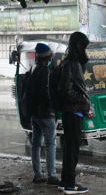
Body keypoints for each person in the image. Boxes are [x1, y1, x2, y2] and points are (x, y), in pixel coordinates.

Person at [58, 32, 92, 194]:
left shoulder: (70, 62)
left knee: (69, 148)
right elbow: (66, 91)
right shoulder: (71, 64)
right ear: (79, 46)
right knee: (72, 150)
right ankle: (70, 184)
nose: (86, 51)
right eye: (84, 47)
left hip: (73, 112)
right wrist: (84, 102)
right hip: (73, 113)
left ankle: (65, 181)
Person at [29, 43, 59, 186]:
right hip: (46, 114)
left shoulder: (33, 69)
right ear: (49, 57)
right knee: (50, 144)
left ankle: (38, 174)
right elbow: (46, 94)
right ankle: (52, 175)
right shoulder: (46, 72)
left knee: (36, 144)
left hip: (34, 114)